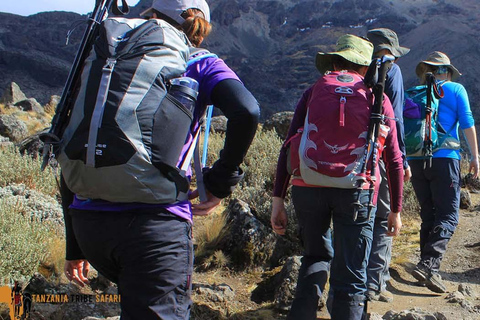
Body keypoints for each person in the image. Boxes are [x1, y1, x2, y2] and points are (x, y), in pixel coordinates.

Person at [62, 0, 260, 318]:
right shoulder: (199, 61)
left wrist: (74, 247)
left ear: (150, 14)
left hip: (89, 226)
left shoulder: (106, 57)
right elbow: (247, 111)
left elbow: (76, 141)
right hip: (154, 228)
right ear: (201, 27)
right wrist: (220, 181)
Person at [271, 34, 404, 320]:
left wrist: (277, 200)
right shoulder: (376, 99)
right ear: (365, 68)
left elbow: (288, 145)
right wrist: (395, 210)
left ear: (332, 62)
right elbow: (393, 158)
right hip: (357, 192)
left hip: (308, 188)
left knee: (315, 257)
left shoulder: (313, 91)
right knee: (351, 278)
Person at [409, 51, 479, 293]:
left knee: (429, 215)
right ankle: (429, 265)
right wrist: (476, 158)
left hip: (416, 160)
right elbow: (467, 121)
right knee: (449, 216)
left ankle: (425, 266)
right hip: (445, 159)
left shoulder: (416, 93)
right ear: (447, 71)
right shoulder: (456, 89)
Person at [365, 28, 410, 303]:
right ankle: (374, 284)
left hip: (355, 158)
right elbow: (397, 120)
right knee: (384, 218)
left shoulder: (359, 70)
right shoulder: (392, 72)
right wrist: (401, 158)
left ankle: (366, 277)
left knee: (362, 219)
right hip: (382, 154)